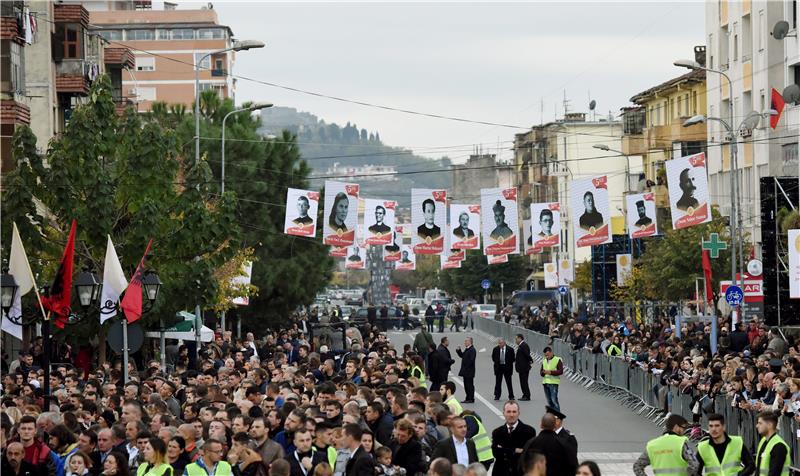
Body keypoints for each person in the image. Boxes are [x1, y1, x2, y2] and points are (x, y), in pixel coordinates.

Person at [633, 414, 699, 476]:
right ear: (676, 427)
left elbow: (637, 466)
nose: (684, 431)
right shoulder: (680, 442)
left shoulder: (652, 445)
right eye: (683, 428)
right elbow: (695, 464)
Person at [490, 401, 536, 476]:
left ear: (518, 413)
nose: (511, 415)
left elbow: (528, 454)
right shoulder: (497, 432)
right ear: (504, 413)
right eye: (508, 412)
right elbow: (496, 453)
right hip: (500, 473)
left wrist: (504, 450)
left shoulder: (529, 431)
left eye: (514, 412)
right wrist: (515, 450)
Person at [754, 411, 791, 476]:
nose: (757, 426)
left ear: (770, 425)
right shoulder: (763, 441)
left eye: (760, 423)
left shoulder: (779, 446)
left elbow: (774, 473)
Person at [540, 347, 562, 411]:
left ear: (551, 352)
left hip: (554, 383)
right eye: (545, 355)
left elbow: (560, 371)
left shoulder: (557, 360)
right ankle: (552, 414)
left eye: (548, 354)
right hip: (545, 383)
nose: (547, 356)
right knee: (549, 401)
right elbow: (541, 372)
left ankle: (558, 416)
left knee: (554, 400)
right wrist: (543, 372)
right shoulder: (544, 360)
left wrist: (550, 372)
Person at [456, 337, 476, 403]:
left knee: (469, 385)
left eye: (466, 341)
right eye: (465, 341)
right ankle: (468, 397)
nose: (465, 342)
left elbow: (471, 360)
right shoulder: (467, 349)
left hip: (469, 371)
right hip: (466, 371)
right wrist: (458, 351)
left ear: (470, 342)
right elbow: (462, 356)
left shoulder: (472, 349)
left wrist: (466, 367)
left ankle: (471, 398)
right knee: (466, 385)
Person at [514, 334, 533, 401]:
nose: (515, 340)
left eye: (516, 339)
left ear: (520, 338)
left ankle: (527, 395)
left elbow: (527, 355)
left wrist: (530, 360)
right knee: (522, 382)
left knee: (524, 382)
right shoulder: (521, 345)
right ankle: (524, 394)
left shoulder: (524, 345)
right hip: (521, 367)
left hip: (524, 367)